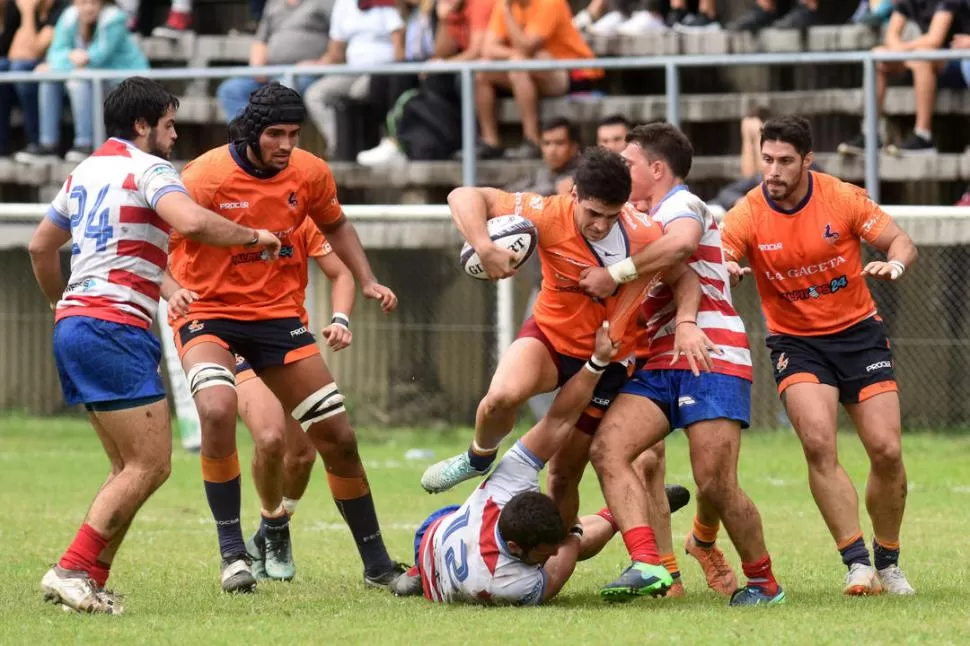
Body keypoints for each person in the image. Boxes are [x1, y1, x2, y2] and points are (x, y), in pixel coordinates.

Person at [27, 77, 281, 614]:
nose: (174, 133)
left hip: (78, 324)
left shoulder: (86, 170)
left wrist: (62, 301)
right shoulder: (151, 169)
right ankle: (71, 568)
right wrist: (253, 236)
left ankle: (88, 580)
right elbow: (190, 221)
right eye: (168, 123)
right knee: (150, 465)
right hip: (113, 327)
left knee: (128, 467)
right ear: (143, 125)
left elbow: (41, 245)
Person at [167, 82, 406, 594]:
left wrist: (364, 280)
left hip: (276, 318)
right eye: (275, 133)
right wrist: (170, 290)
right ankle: (233, 555)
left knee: (337, 439)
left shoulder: (309, 172)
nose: (285, 144)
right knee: (215, 409)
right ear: (252, 131)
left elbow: (336, 225)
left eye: (293, 134)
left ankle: (378, 566)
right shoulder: (205, 176)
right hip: (208, 312)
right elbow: (157, 239)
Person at [420, 148, 708, 536]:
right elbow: (463, 195)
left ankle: (563, 548)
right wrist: (484, 246)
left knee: (562, 475)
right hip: (550, 339)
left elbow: (684, 276)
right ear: (574, 194)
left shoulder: (641, 233)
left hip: (608, 360)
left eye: (611, 215)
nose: (601, 225)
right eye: (593, 214)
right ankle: (478, 457)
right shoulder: (547, 212)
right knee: (500, 397)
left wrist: (683, 317)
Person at [578, 123, 778, 606]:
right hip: (657, 359)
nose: (621, 170)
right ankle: (651, 565)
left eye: (628, 163)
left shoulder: (682, 205)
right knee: (609, 449)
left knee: (715, 483)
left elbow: (684, 245)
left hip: (708, 353)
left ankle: (764, 583)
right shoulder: (638, 216)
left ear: (656, 168)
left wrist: (616, 273)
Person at [721, 116, 918, 596]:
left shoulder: (842, 197)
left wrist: (893, 263)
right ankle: (856, 563)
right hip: (797, 343)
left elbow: (900, 241)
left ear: (807, 161)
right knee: (817, 444)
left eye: (785, 161)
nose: (773, 170)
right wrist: (727, 266)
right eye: (767, 159)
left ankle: (888, 561)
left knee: (887, 450)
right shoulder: (747, 211)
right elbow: (719, 254)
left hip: (859, 335)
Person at [394, 322, 690, 604]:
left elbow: (557, 420)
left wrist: (596, 364)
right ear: (514, 548)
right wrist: (570, 531)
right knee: (568, 539)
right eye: (542, 554)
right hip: (431, 547)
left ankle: (623, 511)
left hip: (440, 528)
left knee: (560, 537)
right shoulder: (508, 585)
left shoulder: (506, 483)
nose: (546, 557)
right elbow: (562, 562)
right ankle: (417, 575)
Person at [163, 215, 356, 582]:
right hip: (230, 340)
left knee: (302, 455)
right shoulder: (209, 216)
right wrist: (174, 292)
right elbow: (157, 254)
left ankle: (267, 535)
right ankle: (271, 525)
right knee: (269, 438)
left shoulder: (297, 216)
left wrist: (341, 319)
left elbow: (340, 272)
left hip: (284, 342)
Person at [19, 0, 149, 163]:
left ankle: (84, 144)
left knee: (77, 80)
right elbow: (56, 52)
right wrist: (68, 60)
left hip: (123, 82)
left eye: (93, 3)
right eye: (83, 3)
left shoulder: (114, 18)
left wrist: (64, 62)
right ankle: (48, 145)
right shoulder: (68, 17)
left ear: (101, 4)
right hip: (90, 78)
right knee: (50, 78)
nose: (88, 8)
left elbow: (97, 57)